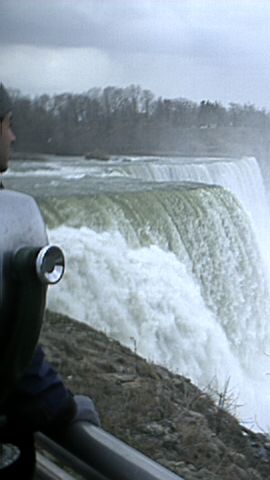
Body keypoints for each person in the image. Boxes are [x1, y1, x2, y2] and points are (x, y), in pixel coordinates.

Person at [0, 84, 79, 479]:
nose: (13, 137)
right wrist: (59, 406)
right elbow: (9, 342)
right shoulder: (11, 219)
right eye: (8, 125)